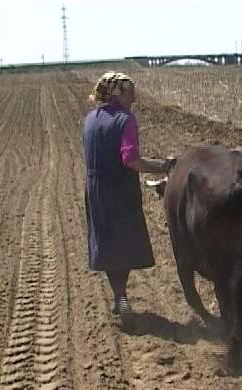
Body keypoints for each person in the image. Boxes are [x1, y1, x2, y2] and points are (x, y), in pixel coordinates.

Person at [83, 71, 173, 321]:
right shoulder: (125, 120)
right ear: (117, 93)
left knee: (107, 242)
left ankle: (118, 295)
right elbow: (130, 159)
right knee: (123, 242)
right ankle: (121, 295)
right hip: (119, 189)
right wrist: (161, 166)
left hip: (95, 188)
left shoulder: (90, 119)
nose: (134, 98)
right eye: (131, 92)